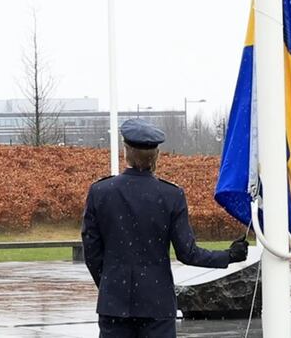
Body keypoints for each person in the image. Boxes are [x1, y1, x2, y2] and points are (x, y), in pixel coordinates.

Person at [81, 119, 249, 338]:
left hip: (114, 305)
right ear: (156, 156)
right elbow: (188, 253)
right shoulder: (171, 196)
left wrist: (110, 284)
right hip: (157, 304)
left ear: (126, 153)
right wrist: (229, 256)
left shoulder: (100, 192)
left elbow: (91, 252)